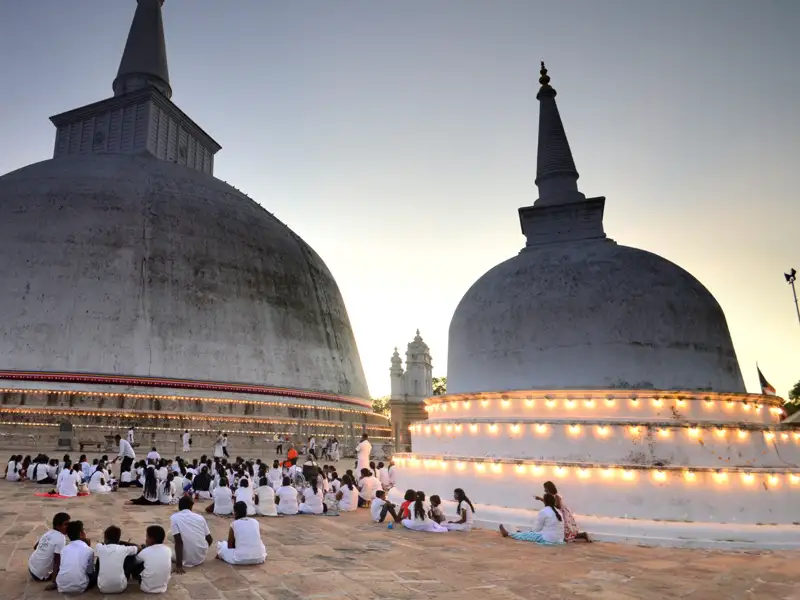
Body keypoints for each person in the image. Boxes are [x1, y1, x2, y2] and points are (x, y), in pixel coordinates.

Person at [499, 492, 565, 545]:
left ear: (544, 501)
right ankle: (517, 533)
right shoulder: (559, 512)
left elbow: (536, 529)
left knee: (527, 535)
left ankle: (508, 534)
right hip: (559, 539)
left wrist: (530, 532)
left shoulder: (544, 511)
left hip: (549, 539)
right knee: (530, 533)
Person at [171, 496, 213, 573]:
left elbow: (178, 541)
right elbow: (210, 539)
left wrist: (179, 565)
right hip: (201, 557)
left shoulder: (174, 517)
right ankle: (194, 550)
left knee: (167, 550)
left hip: (186, 559)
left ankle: (186, 552)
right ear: (191, 506)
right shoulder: (200, 517)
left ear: (179, 506)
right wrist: (200, 550)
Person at [95, 525, 140, 594]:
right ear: (118, 539)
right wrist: (124, 543)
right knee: (131, 556)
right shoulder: (123, 548)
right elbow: (138, 547)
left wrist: (105, 543)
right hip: (120, 587)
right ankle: (129, 576)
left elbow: (99, 544)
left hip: (102, 587)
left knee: (100, 557)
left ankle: (102, 577)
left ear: (105, 538)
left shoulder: (100, 547)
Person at [55, 520, 96, 593]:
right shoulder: (89, 550)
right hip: (79, 586)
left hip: (61, 586)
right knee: (95, 573)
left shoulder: (64, 549)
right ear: (81, 534)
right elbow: (89, 571)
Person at [28, 512, 69, 583]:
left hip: (31, 566)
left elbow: (35, 547)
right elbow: (57, 562)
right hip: (39, 575)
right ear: (58, 526)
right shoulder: (61, 538)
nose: (68, 527)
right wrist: (54, 581)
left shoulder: (49, 532)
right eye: (66, 524)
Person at [135, 525, 172, 594]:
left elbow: (136, 561)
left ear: (151, 539)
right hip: (163, 587)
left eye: (147, 537)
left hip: (146, 588)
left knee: (136, 562)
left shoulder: (145, 552)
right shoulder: (168, 549)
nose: (146, 539)